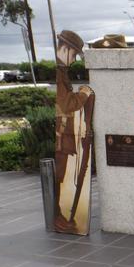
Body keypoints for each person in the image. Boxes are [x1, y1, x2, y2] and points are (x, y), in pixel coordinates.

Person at [54, 30, 94, 233]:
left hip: (64, 133)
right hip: (62, 134)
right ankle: (58, 216)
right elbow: (66, 103)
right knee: (59, 175)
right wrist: (83, 95)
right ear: (66, 49)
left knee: (60, 176)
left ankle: (59, 215)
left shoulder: (61, 71)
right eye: (74, 54)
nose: (74, 58)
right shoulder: (59, 72)